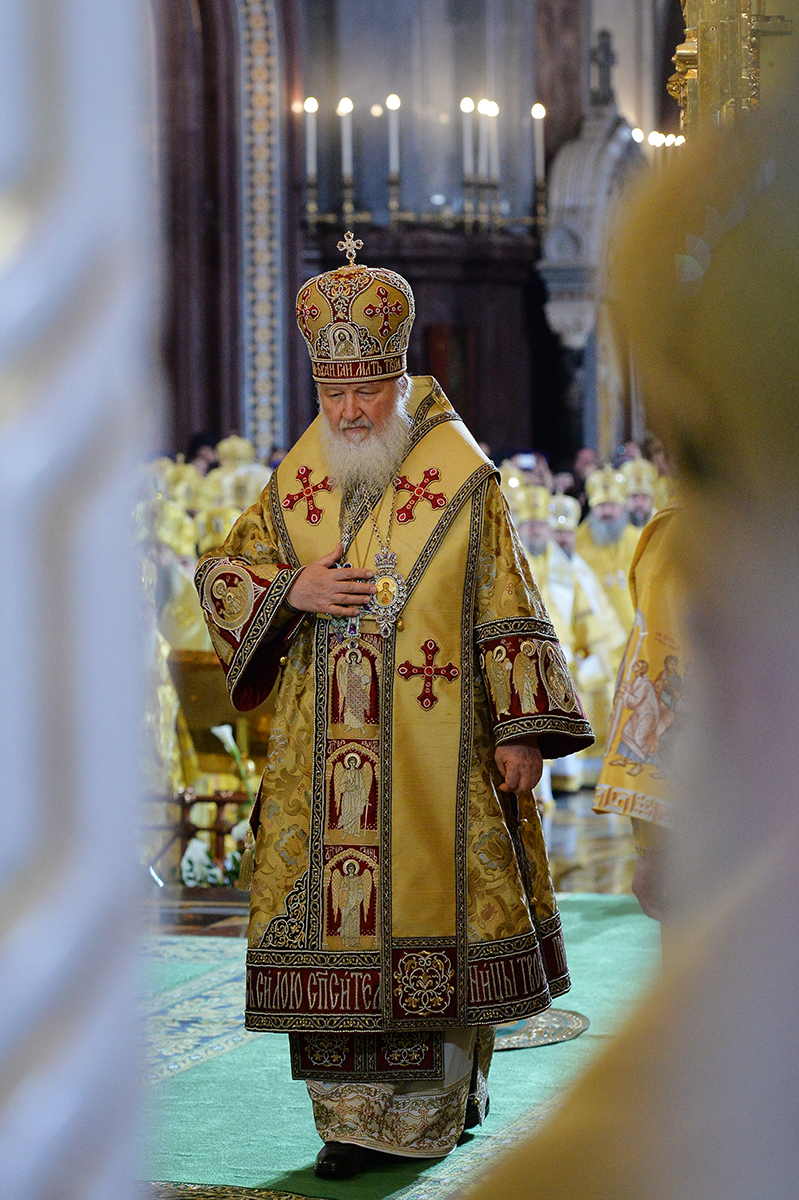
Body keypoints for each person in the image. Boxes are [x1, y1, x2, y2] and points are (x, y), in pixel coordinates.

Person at [196, 238, 593, 1178]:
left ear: (399, 378)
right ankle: (346, 1122)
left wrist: (521, 731)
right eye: (332, 393)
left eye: (365, 391)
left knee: (437, 920)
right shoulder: (299, 480)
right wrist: (290, 590)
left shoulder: (462, 478)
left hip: (434, 753)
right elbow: (222, 571)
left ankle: (438, 1106)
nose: (347, 410)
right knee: (335, 934)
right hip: (321, 755)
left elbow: (505, 600)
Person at [575, 465, 640, 634]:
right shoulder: (578, 541)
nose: (607, 512)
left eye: (612, 506)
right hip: (596, 630)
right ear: (592, 508)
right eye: (601, 506)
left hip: (633, 626)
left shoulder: (637, 538)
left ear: (622, 508)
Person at [621, 458, 658, 528]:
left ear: (652, 500)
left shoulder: (661, 525)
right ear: (625, 499)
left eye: (645, 497)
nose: (639, 503)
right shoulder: (617, 529)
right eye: (634, 497)